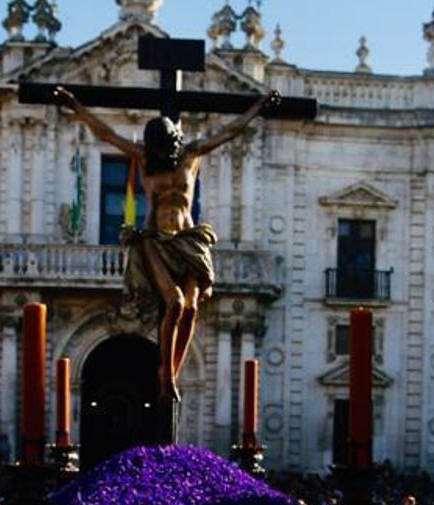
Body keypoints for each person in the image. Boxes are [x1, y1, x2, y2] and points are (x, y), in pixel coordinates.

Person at [54, 84, 280, 402]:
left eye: (163, 147)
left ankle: (173, 369)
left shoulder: (192, 155)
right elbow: (105, 133)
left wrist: (259, 106)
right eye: (155, 148)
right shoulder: (144, 159)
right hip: (155, 241)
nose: (159, 154)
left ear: (173, 143)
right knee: (174, 303)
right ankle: (166, 373)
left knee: (190, 308)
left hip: (189, 241)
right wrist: (75, 105)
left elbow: (232, 131)